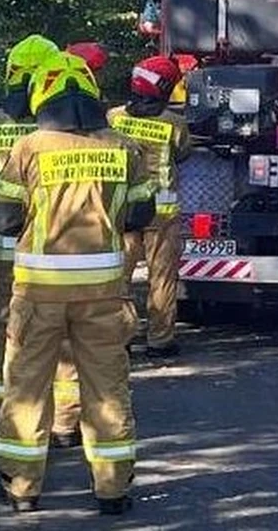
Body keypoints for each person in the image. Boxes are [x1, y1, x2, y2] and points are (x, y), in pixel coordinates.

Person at [0, 51, 155, 515]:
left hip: (40, 291)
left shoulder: (29, 148)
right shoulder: (122, 147)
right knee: (106, 388)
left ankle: (22, 489)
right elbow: (142, 213)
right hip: (104, 292)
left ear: (44, 97)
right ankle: (113, 490)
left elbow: (2, 216)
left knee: (26, 387)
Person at [0, 35, 83, 447]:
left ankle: (5, 414)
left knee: (9, 334)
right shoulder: (70, 128)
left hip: (10, 249)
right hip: (61, 247)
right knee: (65, 335)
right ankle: (65, 423)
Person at [107, 55, 192, 358]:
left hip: (124, 212)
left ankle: (120, 338)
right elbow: (182, 154)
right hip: (162, 213)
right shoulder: (175, 123)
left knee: (118, 276)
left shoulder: (114, 118)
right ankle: (160, 340)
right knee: (162, 278)